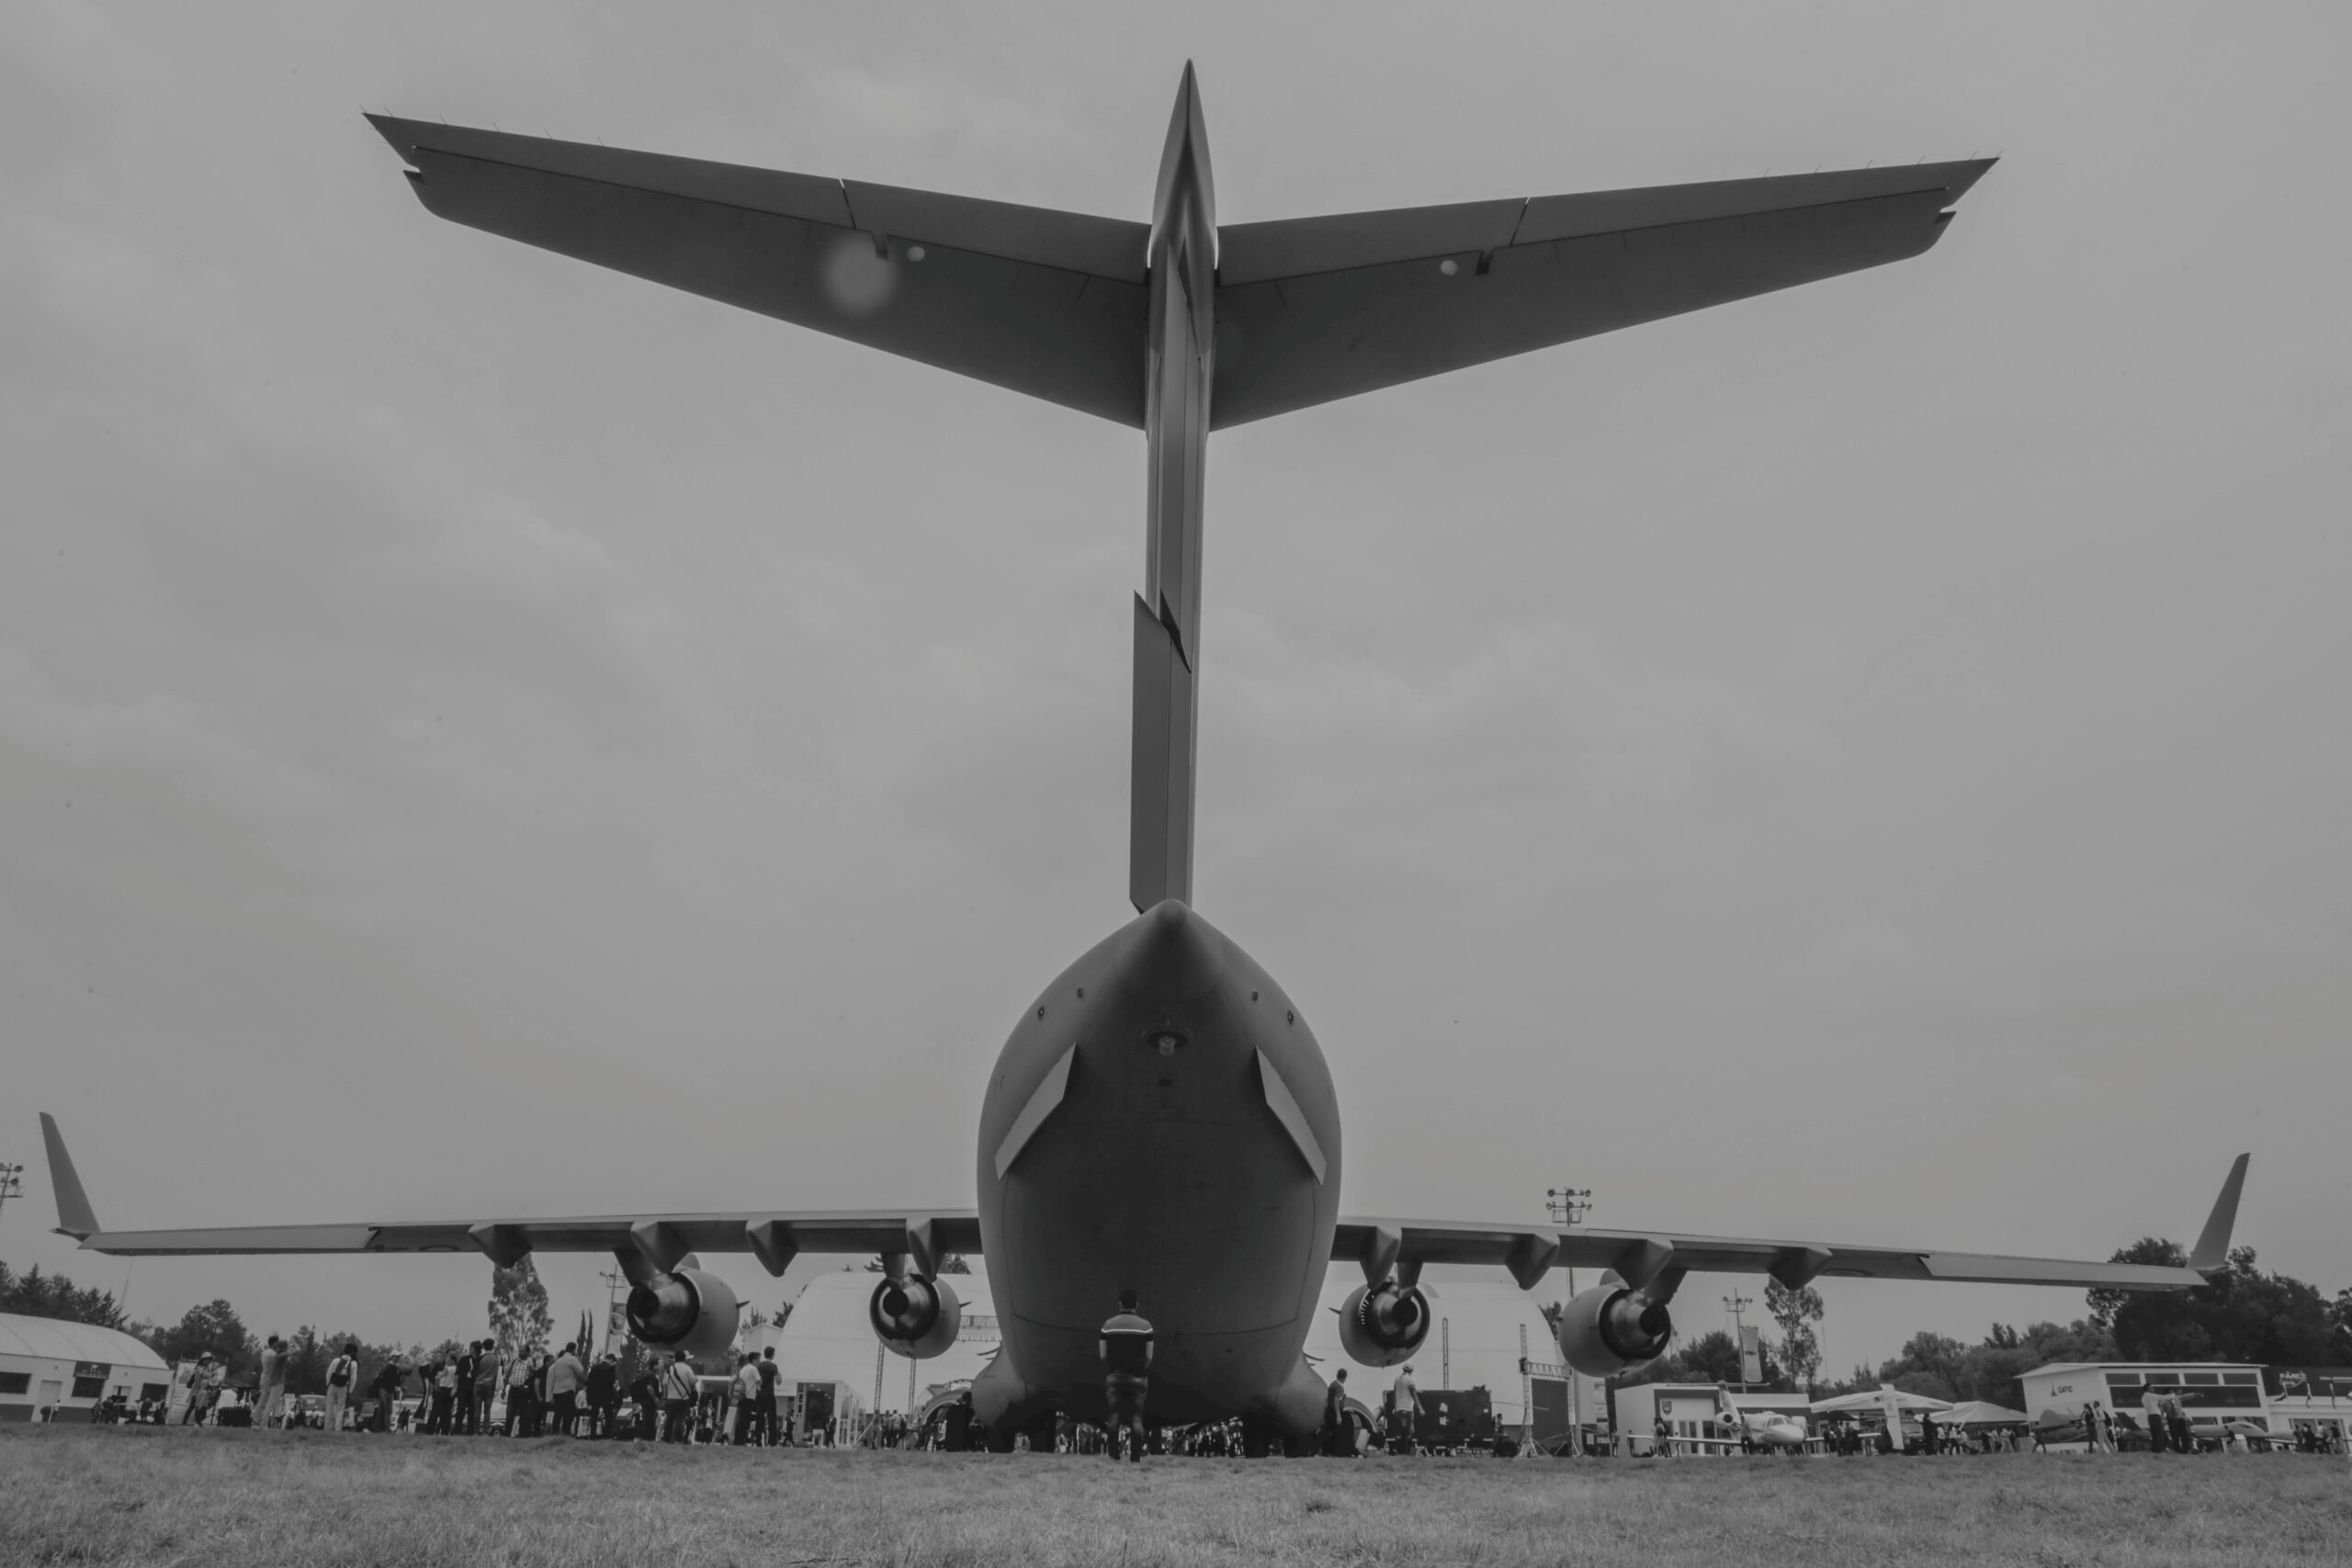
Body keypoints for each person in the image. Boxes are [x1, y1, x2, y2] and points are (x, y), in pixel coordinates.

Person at [1098, 1289, 1154, 1463]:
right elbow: (1149, 1356)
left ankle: (1114, 1455)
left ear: (1120, 1304)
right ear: (1136, 1305)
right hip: (1138, 1377)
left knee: (1114, 1416)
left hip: (1114, 1375)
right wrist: (1140, 1369)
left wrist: (1113, 1367)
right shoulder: (1146, 1326)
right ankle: (1135, 1457)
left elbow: (1102, 1355)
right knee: (1136, 1417)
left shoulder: (1107, 1325)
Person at [548, 1341, 585, 1437]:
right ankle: (565, 1432)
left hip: (557, 1391)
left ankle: (555, 1432)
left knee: (558, 1414)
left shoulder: (558, 1361)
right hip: (567, 1390)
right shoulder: (572, 1359)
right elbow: (581, 1371)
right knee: (570, 1412)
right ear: (573, 1350)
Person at [662, 1352, 697, 1444]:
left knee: (669, 1419)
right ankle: (677, 1438)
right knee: (680, 1419)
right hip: (683, 1399)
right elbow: (693, 1381)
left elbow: (665, 1384)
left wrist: (664, 1398)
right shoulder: (687, 1368)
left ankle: (666, 1438)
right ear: (684, 1358)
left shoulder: (669, 1369)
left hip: (670, 1399)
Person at [323, 1342, 358, 1433]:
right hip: (343, 1387)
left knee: (329, 1408)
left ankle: (327, 1429)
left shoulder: (336, 1360)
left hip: (332, 1385)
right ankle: (337, 1429)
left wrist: (328, 1384)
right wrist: (350, 1391)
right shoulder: (353, 1364)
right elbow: (353, 1379)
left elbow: (328, 1373)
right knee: (340, 1409)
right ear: (352, 1352)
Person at [255, 1336, 287, 1431]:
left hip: (263, 1378)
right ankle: (264, 1424)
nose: (278, 1346)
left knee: (261, 1403)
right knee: (269, 1404)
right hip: (272, 1380)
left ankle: (255, 1421)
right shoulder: (274, 1354)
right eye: (277, 1343)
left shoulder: (264, 1353)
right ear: (274, 1343)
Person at [586, 1352, 618, 1439]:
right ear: (611, 1359)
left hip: (595, 1394)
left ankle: (593, 1435)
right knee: (608, 1415)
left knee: (594, 1415)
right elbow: (611, 1382)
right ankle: (607, 1435)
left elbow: (590, 1383)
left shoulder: (594, 1367)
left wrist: (589, 1398)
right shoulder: (611, 1368)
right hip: (606, 1395)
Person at [732, 1353, 762, 1445]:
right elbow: (759, 1381)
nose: (759, 1362)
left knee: (742, 1419)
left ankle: (738, 1440)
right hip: (749, 1397)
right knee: (745, 1420)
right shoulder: (753, 1369)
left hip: (742, 1397)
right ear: (754, 1360)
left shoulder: (743, 1369)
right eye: (758, 1359)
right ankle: (740, 1441)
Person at [754, 1348, 782, 1447]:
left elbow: (756, 1381)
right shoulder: (773, 1366)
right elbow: (778, 1381)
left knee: (759, 1418)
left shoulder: (759, 1366)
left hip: (760, 1394)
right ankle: (772, 1442)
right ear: (772, 1355)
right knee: (771, 1419)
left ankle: (758, 1441)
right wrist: (780, 1376)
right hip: (769, 1394)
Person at [1391, 1364, 1419, 1455]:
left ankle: (1401, 1449)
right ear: (1411, 1371)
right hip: (1408, 1409)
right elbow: (1414, 1394)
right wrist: (1420, 1407)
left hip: (1399, 1409)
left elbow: (1394, 1395)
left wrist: (1396, 1407)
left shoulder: (1397, 1379)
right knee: (1410, 1430)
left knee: (1405, 1429)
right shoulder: (1410, 1380)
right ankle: (1404, 1450)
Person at [1321, 1368, 1350, 1456]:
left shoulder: (1332, 1384)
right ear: (1345, 1377)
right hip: (1335, 1411)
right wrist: (1338, 1415)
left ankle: (1325, 1451)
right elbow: (1336, 1400)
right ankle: (1337, 1452)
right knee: (1338, 1432)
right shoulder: (1340, 1387)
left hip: (1328, 1410)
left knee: (1327, 1431)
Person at [2143, 1386, 2167, 1454]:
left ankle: (2156, 1449)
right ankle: (2159, 1449)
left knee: (2156, 1435)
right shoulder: (2151, 1399)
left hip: (2153, 1418)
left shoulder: (2153, 1403)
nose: (2153, 1389)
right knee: (2159, 1434)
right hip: (2155, 1418)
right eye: (2151, 1388)